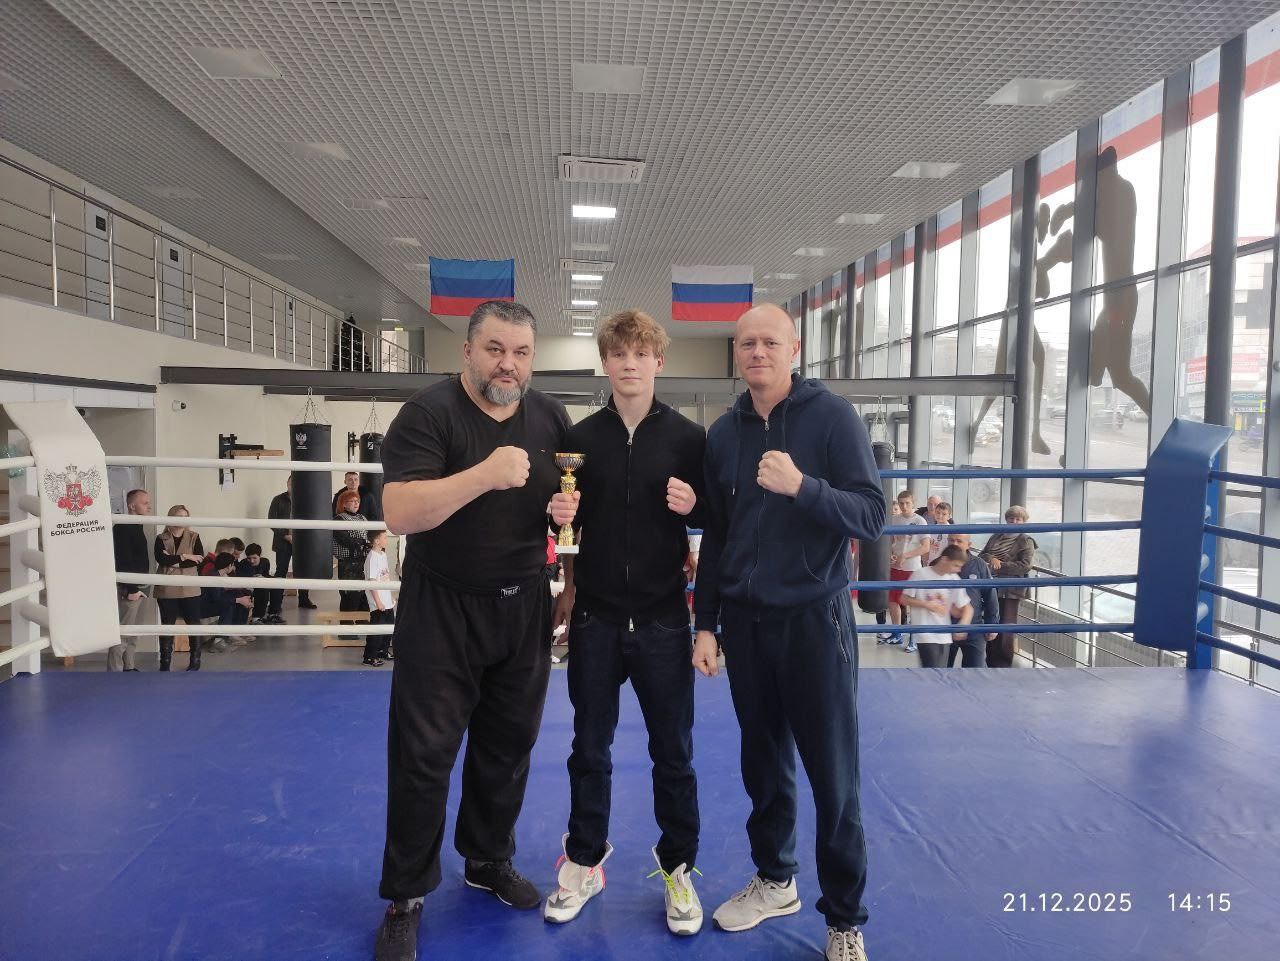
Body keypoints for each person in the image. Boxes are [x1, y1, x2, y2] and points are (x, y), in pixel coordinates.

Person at [372, 300, 571, 961]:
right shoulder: (429, 414)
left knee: (508, 745)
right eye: (494, 349)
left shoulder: (550, 418)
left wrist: (568, 546)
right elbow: (400, 512)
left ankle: (487, 858)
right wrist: (485, 474)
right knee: (423, 754)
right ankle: (406, 894)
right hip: (442, 607)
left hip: (523, 604)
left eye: (520, 352)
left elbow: (568, 508)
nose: (507, 364)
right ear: (467, 350)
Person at [692, 303, 885, 961]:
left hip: (814, 621)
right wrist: (706, 623)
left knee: (834, 775)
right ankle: (776, 880)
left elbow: (872, 514)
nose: (758, 352)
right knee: (764, 764)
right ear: (736, 351)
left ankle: (844, 918)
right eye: (747, 343)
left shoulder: (833, 418)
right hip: (746, 624)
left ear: (794, 349)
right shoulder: (724, 433)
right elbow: (717, 536)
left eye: (769, 342)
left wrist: (803, 486)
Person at [542, 309, 705, 933]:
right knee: (589, 748)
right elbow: (566, 524)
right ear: (605, 363)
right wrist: (558, 518)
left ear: (659, 361)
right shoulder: (580, 439)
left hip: (663, 618)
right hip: (597, 618)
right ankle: (584, 862)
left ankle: (678, 870)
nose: (629, 364)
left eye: (640, 354)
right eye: (618, 354)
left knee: (674, 753)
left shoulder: (689, 438)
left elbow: (717, 519)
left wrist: (698, 506)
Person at [980, 505, 1037, 668]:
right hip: (991, 586)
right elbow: (982, 554)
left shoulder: (1026, 540)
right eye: (1011, 518)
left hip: (1011, 590)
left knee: (1005, 625)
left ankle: (1003, 664)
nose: (1014, 521)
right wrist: (991, 558)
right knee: (991, 621)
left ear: (1024, 521)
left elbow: (1025, 566)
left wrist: (1000, 565)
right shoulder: (996, 536)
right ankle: (990, 659)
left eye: (1018, 519)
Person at [898, 546, 973, 667]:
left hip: (944, 635)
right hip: (926, 634)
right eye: (955, 565)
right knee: (934, 671)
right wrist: (926, 604)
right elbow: (904, 599)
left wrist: (963, 624)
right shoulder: (921, 574)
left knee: (939, 674)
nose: (958, 570)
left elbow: (968, 608)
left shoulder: (954, 579)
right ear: (944, 559)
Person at [153, 505, 204, 672]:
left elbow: (198, 560)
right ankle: (165, 662)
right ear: (170, 517)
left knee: (193, 623)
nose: (183, 520)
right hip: (167, 588)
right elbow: (161, 559)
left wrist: (174, 560)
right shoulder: (161, 538)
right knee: (167, 624)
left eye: (185, 516)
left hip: (190, 587)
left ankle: (195, 661)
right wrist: (185, 556)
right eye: (179, 516)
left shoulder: (194, 537)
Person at [109, 488, 150, 672]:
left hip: (142, 584)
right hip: (130, 586)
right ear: (132, 506)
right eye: (145, 503)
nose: (148, 507)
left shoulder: (137, 525)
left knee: (134, 632)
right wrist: (131, 588)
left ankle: (129, 666)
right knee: (123, 631)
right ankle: (115, 670)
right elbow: (122, 559)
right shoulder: (122, 526)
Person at [946, 532, 997, 668]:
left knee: (976, 672)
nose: (954, 544)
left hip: (974, 627)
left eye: (959, 541)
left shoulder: (979, 564)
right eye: (951, 540)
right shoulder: (939, 564)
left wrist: (992, 624)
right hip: (945, 627)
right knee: (941, 673)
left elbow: (990, 595)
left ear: (968, 545)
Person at [886, 490, 929, 652]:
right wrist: (890, 554)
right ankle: (897, 633)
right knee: (892, 601)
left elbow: (926, 547)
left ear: (913, 503)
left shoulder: (920, 521)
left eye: (907, 503)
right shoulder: (894, 520)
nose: (904, 506)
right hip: (895, 567)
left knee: (912, 604)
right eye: (901, 503)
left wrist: (906, 555)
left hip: (912, 568)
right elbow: (890, 542)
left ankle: (914, 638)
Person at [267, 474, 313, 621]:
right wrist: (286, 535)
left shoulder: (306, 500)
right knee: (281, 571)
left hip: (302, 543)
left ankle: (304, 600)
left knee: (303, 572)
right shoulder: (278, 499)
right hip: (283, 542)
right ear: (287, 483)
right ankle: (275, 604)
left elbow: (311, 520)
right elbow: (272, 521)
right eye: (290, 483)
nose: (292, 485)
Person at [334, 489, 371, 626]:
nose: (356, 503)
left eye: (357, 501)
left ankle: (363, 623)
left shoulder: (362, 518)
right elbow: (345, 539)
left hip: (363, 560)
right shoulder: (339, 519)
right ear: (344, 504)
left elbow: (368, 537)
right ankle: (346, 628)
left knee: (363, 594)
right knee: (350, 595)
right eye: (352, 501)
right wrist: (362, 542)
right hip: (348, 563)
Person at [364, 529, 395, 666]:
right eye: (385, 537)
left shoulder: (383, 554)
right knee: (376, 630)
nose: (387, 540)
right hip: (378, 602)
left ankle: (382, 651)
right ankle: (369, 657)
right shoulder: (372, 558)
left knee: (389, 627)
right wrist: (378, 602)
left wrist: (390, 596)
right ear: (377, 541)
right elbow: (372, 582)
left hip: (386, 600)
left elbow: (385, 577)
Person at [237, 543, 272, 624]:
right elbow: (242, 581)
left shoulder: (265, 562)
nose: (252, 561)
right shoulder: (243, 563)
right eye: (249, 558)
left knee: (275, 587)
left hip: (260, 586)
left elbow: (266, 575)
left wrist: (263, 577)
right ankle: (256, 618)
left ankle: (273, 614)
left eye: (254, 558)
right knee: (262, 590)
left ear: (260, 556)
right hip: (247, 588)